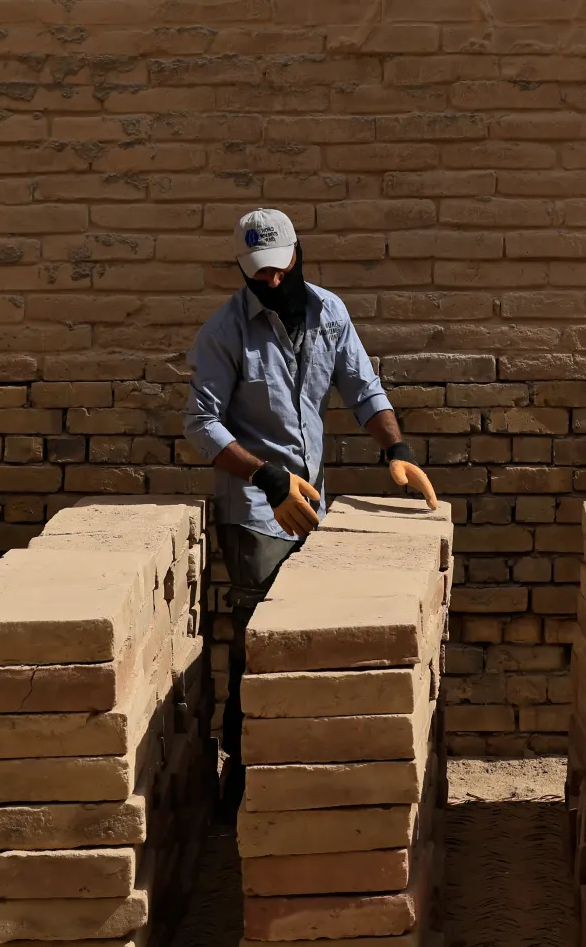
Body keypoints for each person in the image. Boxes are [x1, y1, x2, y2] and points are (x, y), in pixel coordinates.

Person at [183, 206, 439, 810]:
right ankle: (242, 778)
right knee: (258, 639)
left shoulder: (329, 312)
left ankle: (297, 773)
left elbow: (361, 386)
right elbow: (201, 424)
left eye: (279, 269)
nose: (271, 282)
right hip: (253, 508)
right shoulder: (224, 332)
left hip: (309, 499)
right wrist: (267, 477)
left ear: (298, 255)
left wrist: (394, 447)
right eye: (257, 274)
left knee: (300, 636)